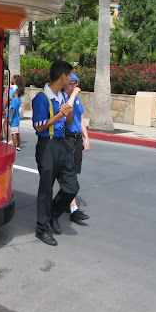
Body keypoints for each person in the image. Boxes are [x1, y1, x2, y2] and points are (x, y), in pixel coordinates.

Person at [31, 60, 79, 246]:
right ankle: (41, 229)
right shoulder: (41, 98)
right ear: (63, 76)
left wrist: (67, 115)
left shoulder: (62, 97)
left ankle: (52, 215)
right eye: (70, 77)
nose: (71, 81)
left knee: (71, 187)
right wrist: (60, 114)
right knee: (46, 189)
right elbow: (38, 127)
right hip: (47, 146)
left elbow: (67, 124)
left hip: (62, 144)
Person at [63, 73, 90, 225]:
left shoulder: (77, 100)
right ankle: (73, 208)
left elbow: (80, 119)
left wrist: (86, 137)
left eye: (75, 84)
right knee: (68, 173)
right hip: (66, 138)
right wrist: (73, 94)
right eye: (71, 84)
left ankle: (65, 201)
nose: (74, 87)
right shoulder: (64, 99)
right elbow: (68, 111)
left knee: (73, 171)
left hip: (76, 138)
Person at [7, 84, 23, 151]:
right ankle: (18, 144)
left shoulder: (14, 100)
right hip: (17, 118)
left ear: (16, 93)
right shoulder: (18, 100)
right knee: (17, 132)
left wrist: (10, 117)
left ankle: (14, 146)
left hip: (13, 119)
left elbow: (13, 109)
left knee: (13, 132)